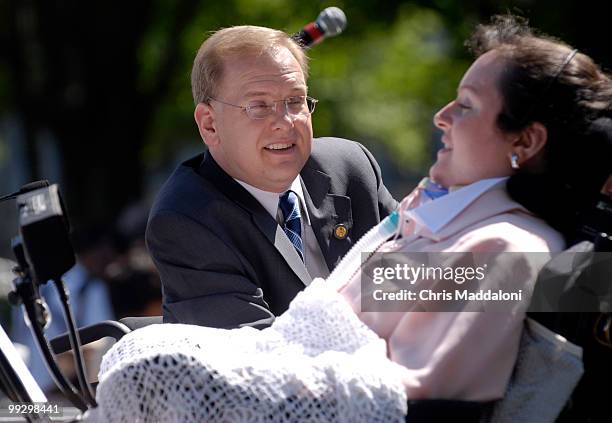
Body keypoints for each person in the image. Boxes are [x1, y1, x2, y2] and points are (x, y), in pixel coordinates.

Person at [92, 15, 611, 421]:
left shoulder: (503, 247)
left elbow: (432, 392)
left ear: (526, 140)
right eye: (259, 105)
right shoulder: (446, 218)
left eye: (467, 106)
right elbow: (373, 303)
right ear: (208, 123)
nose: (441, 116)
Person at [146, 25, 397, 329]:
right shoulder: (185, 220)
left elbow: (439, 289)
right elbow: (262, 357)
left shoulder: (350, 167)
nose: (285, 122)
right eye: (259, 106)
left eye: (295, 101)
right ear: (209, 125)